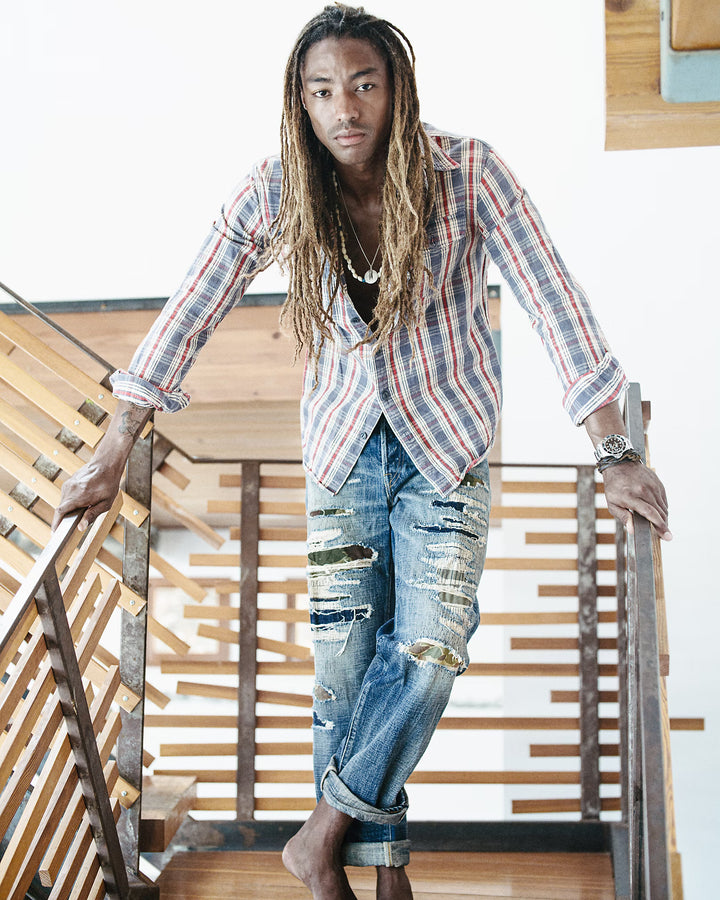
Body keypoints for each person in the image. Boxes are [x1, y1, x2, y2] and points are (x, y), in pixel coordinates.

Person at [53, 5, 671, 898]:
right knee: (347, 672)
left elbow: (553, 297)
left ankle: (321, 836)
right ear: (300, 104)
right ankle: (379, 878)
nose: (346, 107)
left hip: (446, 444)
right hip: (344, 454)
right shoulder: (276, 192)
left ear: (398, 90)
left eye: (365, 85)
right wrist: (116, 444)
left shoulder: (468, 173)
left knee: (428, 649)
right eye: (323, 91)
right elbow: (190, 308)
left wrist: (612, 448)